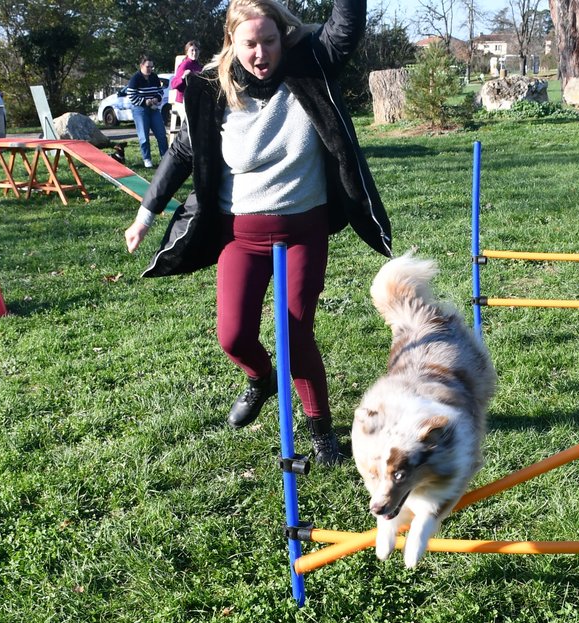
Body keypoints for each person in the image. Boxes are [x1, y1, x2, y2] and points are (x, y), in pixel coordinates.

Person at [122, 0, 392, 466]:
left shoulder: (311, 65)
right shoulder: (211, 89)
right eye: (250, 43)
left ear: (283, 36)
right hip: (241, 237)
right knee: (232, 336)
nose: (261, 53)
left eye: (270, 40)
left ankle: (321, 433)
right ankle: (261, 378)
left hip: (303, 231)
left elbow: (345, 25)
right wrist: (145, 216)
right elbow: (182, 153)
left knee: (295, 333)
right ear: (232, 41)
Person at [125, 54, 168, 168]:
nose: (150, 69)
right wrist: (144, 101)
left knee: (161, 134)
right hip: (140, 110)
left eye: (151, 67)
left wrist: (157, 98)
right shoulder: (135, 78)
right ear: (141, 66)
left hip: (154, 109)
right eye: (148, 67)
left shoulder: (154, 77)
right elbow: (131, 95)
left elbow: (160, 91)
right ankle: (147, 159)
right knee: (143, 136)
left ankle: (165, 158)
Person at [170, 41, 203, 133]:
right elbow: (173, 84)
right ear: (187, 52)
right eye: (192, 50)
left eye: (196, 50)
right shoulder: (185, 64)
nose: (194, 52)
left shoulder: (199, 66)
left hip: (194, 100)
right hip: (183, 101)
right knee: (187, 127)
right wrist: (183, 77)